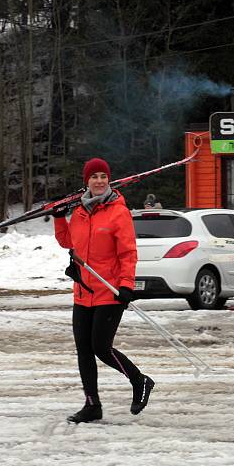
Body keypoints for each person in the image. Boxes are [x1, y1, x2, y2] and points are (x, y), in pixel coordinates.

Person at [53, 157, 154, 423]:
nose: (99, 181)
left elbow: (128, 253)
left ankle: (139, 380)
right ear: (86, 181)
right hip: (83, 291)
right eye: (94, 177)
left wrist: (126, 285)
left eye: (103, 177)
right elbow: (67, 242)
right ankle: (92, 405)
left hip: (110, 291)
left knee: (101, 347)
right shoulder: (79, 212)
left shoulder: (118, 212)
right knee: (83, 350)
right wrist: (58, 218)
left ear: (109, 181)